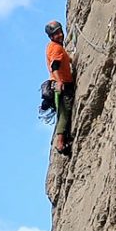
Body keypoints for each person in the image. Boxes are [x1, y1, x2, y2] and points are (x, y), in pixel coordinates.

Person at [45, 20, 74, 154]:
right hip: (61, 84)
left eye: (60, 32)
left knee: (63, 112)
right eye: (57, 34)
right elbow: (54, 66)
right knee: (65, 112)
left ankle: (63, 139)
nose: (61, 35)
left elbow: (60, 61)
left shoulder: (53, 47)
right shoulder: (56, 48)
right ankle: (60, 143)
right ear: (51, 37)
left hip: (57, 83)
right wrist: (60, 81)